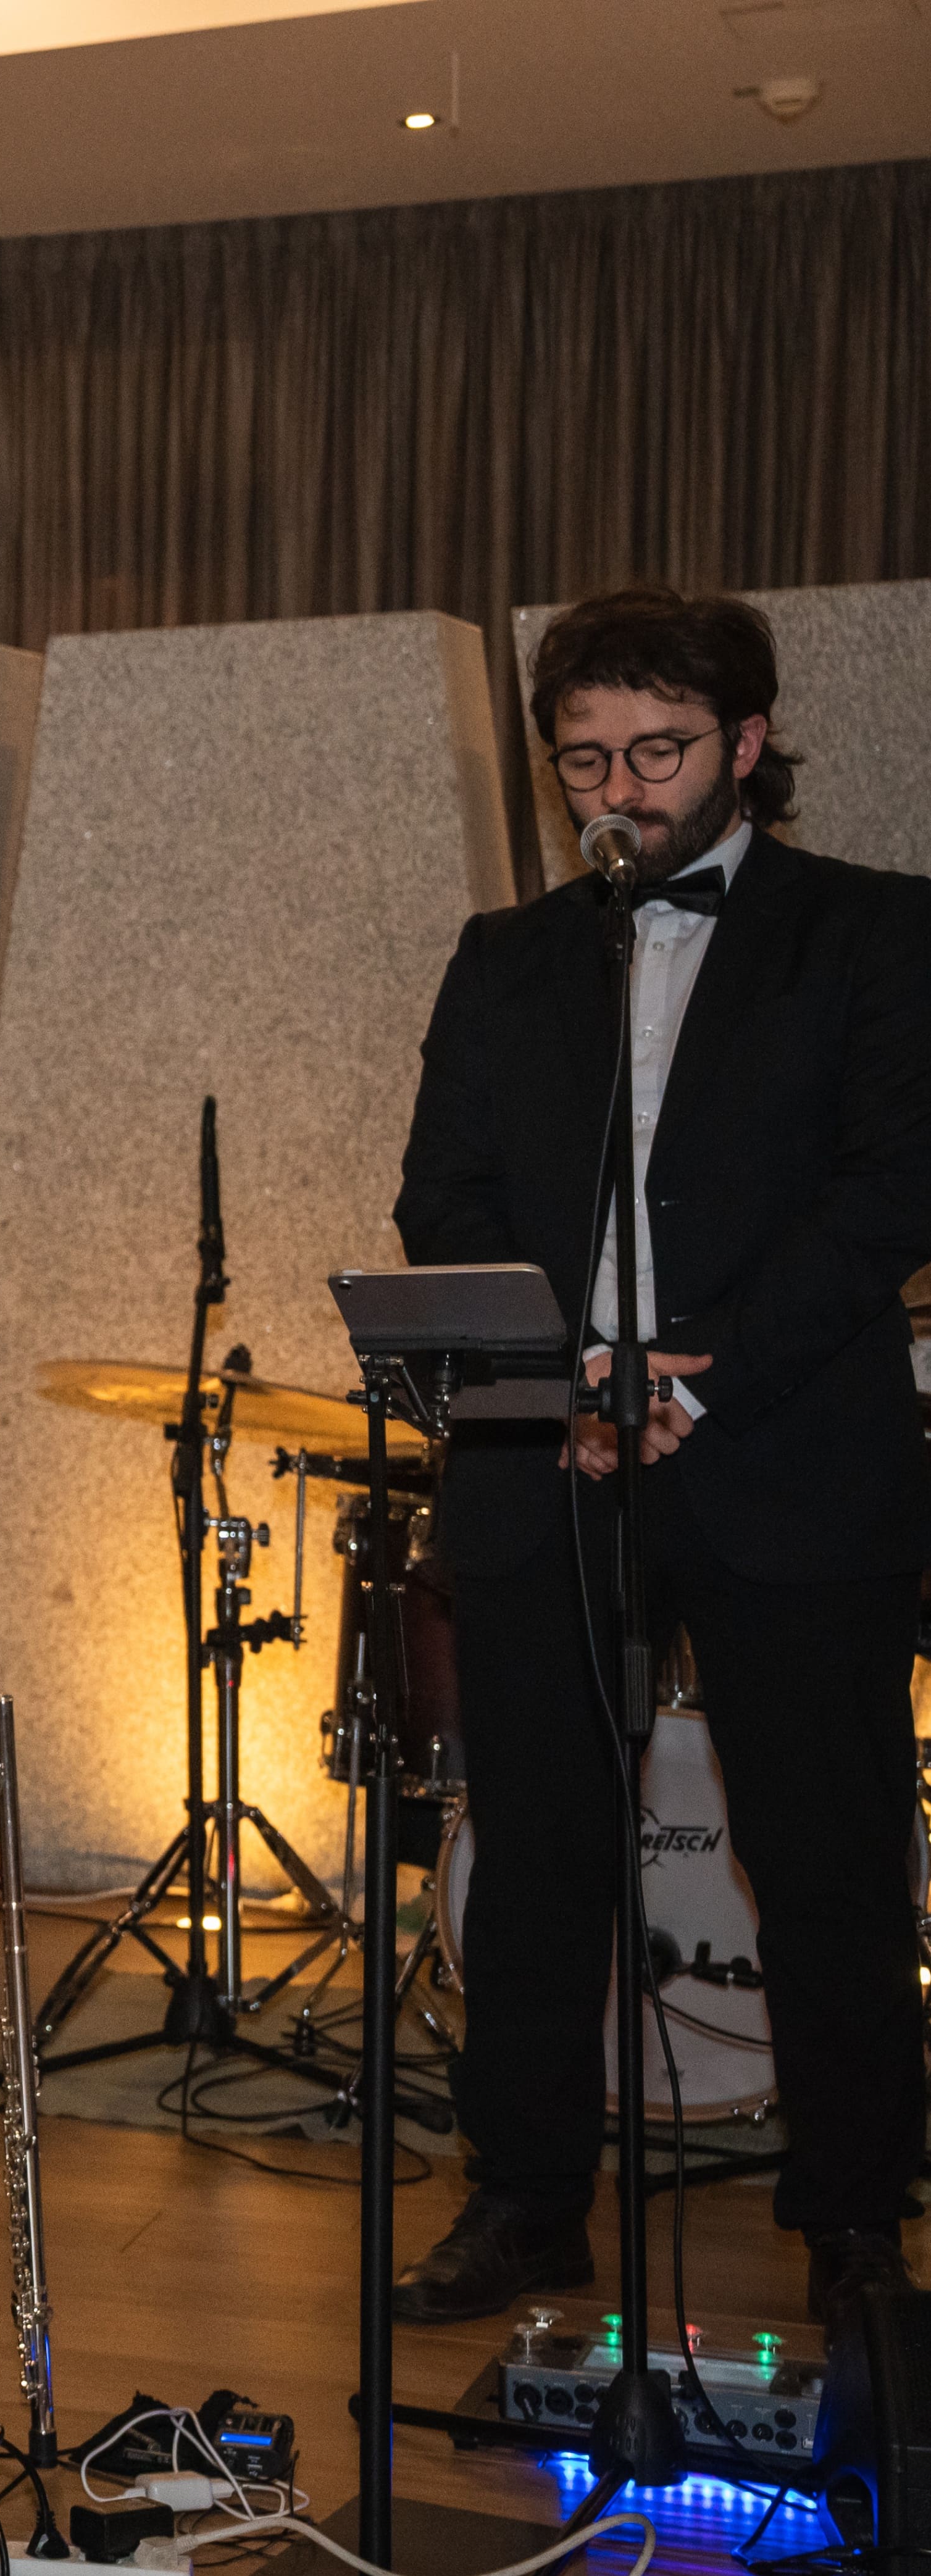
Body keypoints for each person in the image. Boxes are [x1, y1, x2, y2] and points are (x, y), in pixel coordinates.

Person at [391, 588, 931, 2329]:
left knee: (827, 1857)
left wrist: (711, 1374)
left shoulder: (875, 931)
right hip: (552, 1459)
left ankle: (853, 2219)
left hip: (789, 1458)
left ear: (747, 745)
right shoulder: (506, 956)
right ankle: (527, 2198)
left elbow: (894, 1190)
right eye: (584, 762)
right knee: (538, 1853)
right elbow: (441, 1195)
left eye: (658, 751)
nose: (619, 791)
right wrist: (558, 1373)